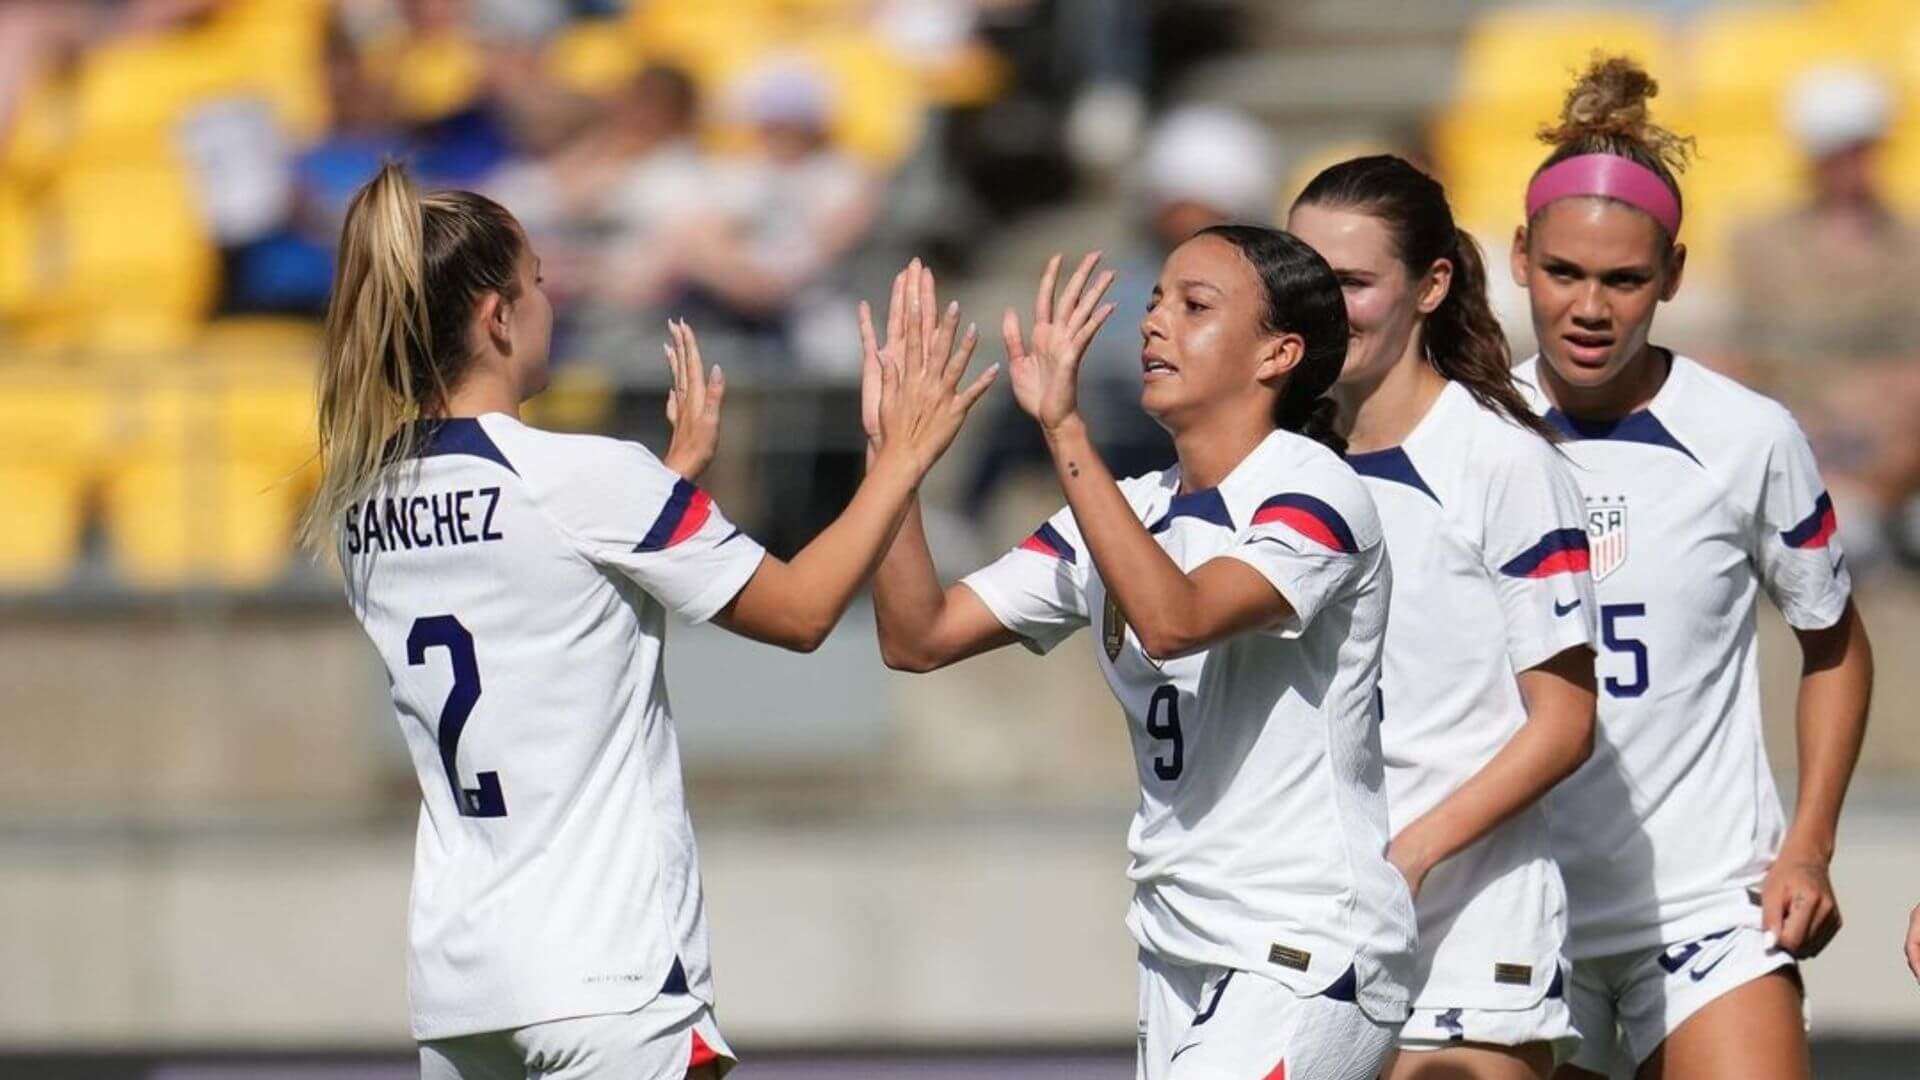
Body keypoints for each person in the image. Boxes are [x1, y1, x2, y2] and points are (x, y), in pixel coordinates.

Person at [304, 163, 996, 1079]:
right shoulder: (584, 476)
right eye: (539, 284)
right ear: (495, 317)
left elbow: (534, 593)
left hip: (461, 989)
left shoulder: (355, 508)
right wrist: (901, 457)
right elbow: (799, 613)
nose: (550, 303)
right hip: (607, 972)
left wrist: (669, 486)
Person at [868, 234, 1417, 1079]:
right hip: (1176, 946)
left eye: (1194, 307)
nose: (1155, 324)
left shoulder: (1315, 491)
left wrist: (1062, 426)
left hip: (1300, 949)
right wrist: (894, 459)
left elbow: (1174, 619)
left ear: (1280, 352)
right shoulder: (1130, 508)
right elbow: (919, 636)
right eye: (1156, 301)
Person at [1502, 58, 1875, 1080]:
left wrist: (1808, 845)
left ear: (1671, 272)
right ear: (1519, 257)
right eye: (1564, 273)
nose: (1589, 307)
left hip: (1711, 915)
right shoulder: (1468, 433)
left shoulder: (1748, 436)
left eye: (1624, 280)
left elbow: (1834, 644)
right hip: (1517, 914)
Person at [1288, 154, 1599, 1079]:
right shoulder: (1283, 465)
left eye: (1351, 283)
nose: (1326, 308)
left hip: (1466, 933)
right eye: (1309, 281)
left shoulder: (1502, 463)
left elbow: (1566, 724)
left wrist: (1407, 859)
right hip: (1304, 932)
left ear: (1430, 286)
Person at [1729, 65, 1920, 572]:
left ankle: (1871, 511)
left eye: (1863, 148)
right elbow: (1742, 352)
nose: (1854, 165)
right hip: (1800, 423)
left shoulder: (1911, 244)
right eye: (1840, 150)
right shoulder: (1760, 244)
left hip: (1893, 431)